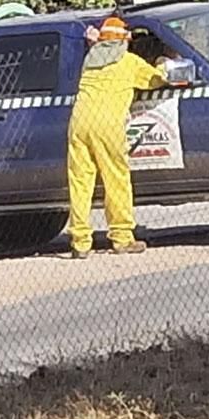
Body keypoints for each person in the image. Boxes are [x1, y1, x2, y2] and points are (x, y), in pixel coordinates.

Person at [66, 15, 170, 259]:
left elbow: (100, 47)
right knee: (116, 180)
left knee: (80, 183)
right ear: (124, 41)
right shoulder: (129, 62)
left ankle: (80, 242)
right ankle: (122, 238)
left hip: (79, 123)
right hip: (108, 125)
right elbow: (157, 80)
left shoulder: (89, 62)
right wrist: (164, 63)